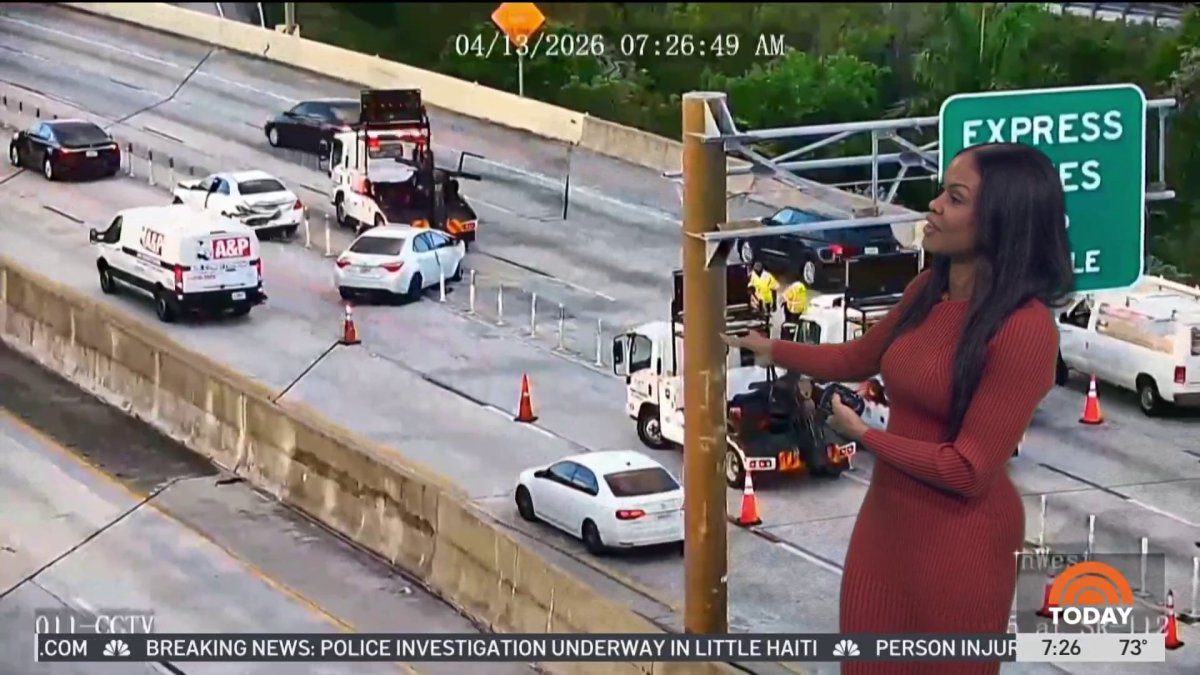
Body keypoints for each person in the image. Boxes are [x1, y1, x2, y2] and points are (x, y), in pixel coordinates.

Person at [723, 143, 1074, 675]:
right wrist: (764, 347)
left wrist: (862, 433)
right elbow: (857, 356)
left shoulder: (1025, 330)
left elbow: (967, 469)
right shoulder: (925, 292)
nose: (933, 206)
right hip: (886, 527)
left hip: (961, 543)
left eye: (954, 199)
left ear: (1002, 222)